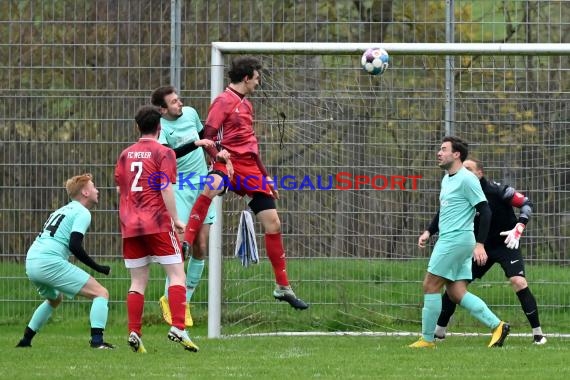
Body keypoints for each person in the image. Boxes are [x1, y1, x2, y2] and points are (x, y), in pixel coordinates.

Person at [182, 56, 308, 310]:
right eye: (257, 78)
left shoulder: (247, 105)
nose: (259, 83)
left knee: (273, 224)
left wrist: (265, 175)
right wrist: (218, 157)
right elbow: (207, 137)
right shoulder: (222, 101)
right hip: (226, 161)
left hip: (249, 168)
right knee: (212, 187)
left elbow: (252, 147)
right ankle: (185, 240)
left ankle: (283, 287)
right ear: (247, 77)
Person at [409, 136, 510, 348]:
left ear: (456, 155)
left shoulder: (467, 179)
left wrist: (480, 244)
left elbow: (485, 210)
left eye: (443, 149)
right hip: (452, 239)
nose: (439, 152)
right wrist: (429, 231)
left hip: (456, 239)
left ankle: (427, 340)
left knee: (430, 285)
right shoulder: (447, 179)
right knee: (456, 292)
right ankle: (497, 325)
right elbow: (444, 210)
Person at [114, 104, 198, 353]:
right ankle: (178, 327)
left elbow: (121, 189)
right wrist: (176, 219)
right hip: (158, 223)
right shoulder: (164, 153)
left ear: (137, 126)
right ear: (160, 127)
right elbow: (165, 186)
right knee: (177, 275)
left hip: (130, 225)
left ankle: (134, 331)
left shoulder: (125, 154)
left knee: (137, 282)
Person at [435, 158, 546, 345]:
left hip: (506, 243)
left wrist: (520, 225)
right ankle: (439, 332)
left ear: (480, 173)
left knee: (518, 281)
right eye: (463, 169)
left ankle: (538, 334)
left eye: (469, 169)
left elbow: (526, 203)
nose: (465, 172)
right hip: (480, 247)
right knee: (455, 286)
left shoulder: (498, 191)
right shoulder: (461, 191)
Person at [16, 173, 114, 349]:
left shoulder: (62, 210)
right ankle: (97, 342)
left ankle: (25, 341)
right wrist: (99, 268)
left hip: (31, 260)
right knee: (101, 293)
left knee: (54, 299)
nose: (97, 190)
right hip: (49, 261)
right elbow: (75, 245)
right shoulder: (83, 212)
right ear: (85, 192)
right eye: (93, 187)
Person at [150, 85, 217, 327]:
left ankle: (184, 302)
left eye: (179, 100)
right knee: (178, 246)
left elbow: (207, 142)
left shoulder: (190, 113)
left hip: (202, 185)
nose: (180, 104)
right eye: (174, 102)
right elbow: (168, 156)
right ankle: (170, 300)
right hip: (179, 188)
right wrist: (195, 144)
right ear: (162, 109)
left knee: (200, 246)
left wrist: (217, 160)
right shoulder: (160, 128)